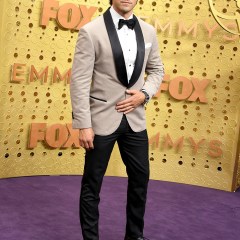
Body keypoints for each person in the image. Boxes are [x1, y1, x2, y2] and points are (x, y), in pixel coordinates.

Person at [70, 0, 164, 239]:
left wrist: (144, 94)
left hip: (135, 120)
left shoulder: (148, 31)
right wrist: (84, 124)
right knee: (92, 185)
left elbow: (157, 70)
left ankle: (135, 236)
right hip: (101, 120)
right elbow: (79, 81)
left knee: (140, 180)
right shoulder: (90, 31)